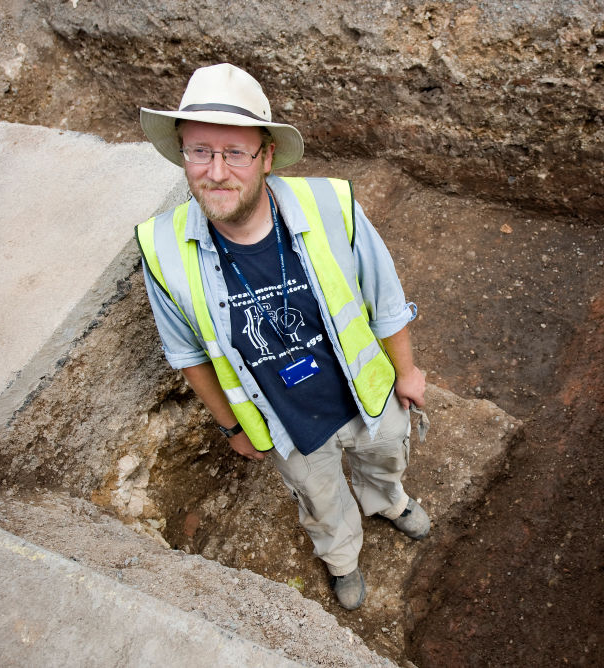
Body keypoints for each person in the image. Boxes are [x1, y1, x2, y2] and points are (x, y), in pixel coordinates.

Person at [135, 63, 428, 610]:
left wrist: (406, 372)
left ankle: (386, 501)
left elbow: (384, 295)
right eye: (200, 151)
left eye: (235, 152)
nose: (216, 172)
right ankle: (342, 558)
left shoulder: (331, 205)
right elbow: (188, 355)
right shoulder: (162, 248)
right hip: (283, 419)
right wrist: (231, 429)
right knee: (318, 498)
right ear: (182, 153)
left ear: (267, 156)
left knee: (385, 455)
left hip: (366, 393)